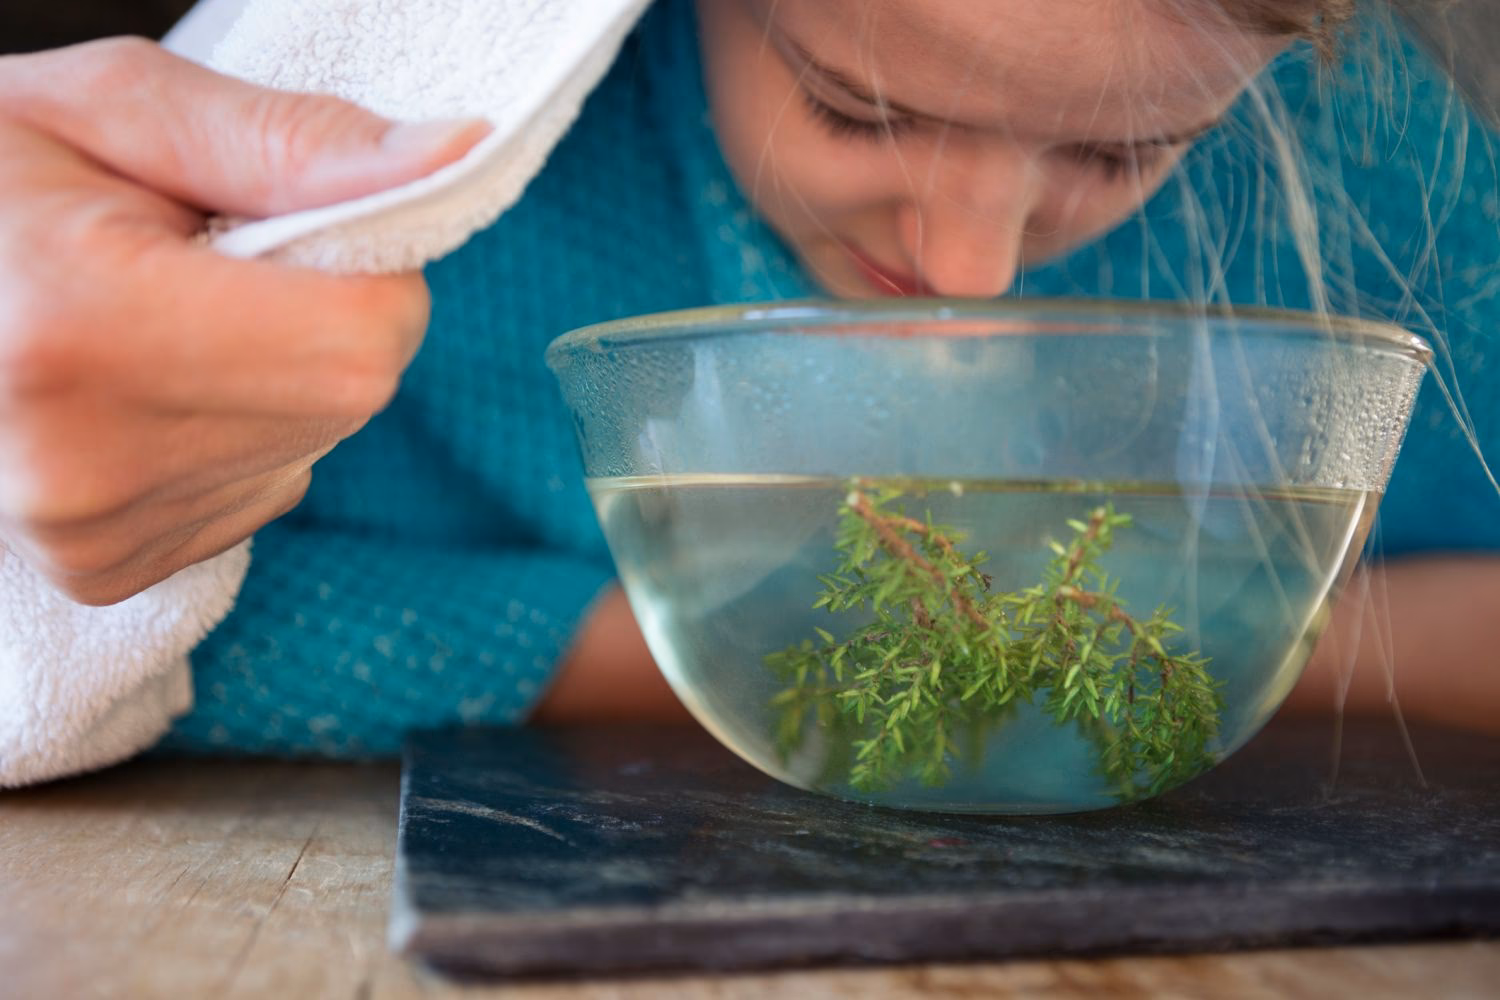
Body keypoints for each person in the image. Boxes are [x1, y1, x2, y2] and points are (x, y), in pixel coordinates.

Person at [0, 0, 1495, 761]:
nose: (970, 266)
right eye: (854, 107)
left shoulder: (1393, 189)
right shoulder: (445, 205)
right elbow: (131, 641)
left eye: (1118, 151)